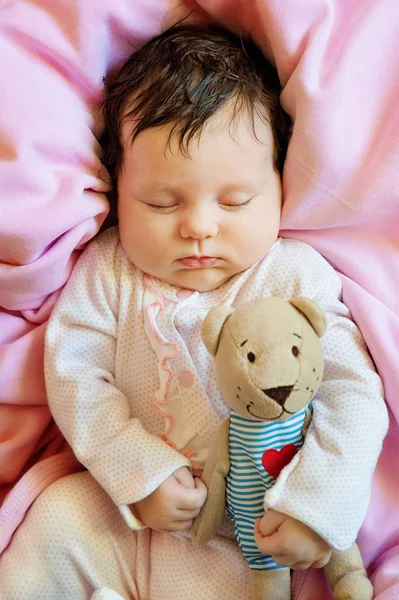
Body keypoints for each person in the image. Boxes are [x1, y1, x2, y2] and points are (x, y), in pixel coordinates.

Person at [0, 23, 388, 600]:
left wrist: (316, 506)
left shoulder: (292, 274)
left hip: (250, 535)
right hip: (126, 515)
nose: (199, 227)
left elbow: (352, 394)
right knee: (58, 517)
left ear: (280, 183)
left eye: (235, 201)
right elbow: (76, 376)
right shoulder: (110, 272)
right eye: (161, 202)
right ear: (117, 189)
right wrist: (137, 471)